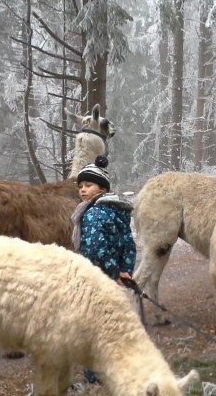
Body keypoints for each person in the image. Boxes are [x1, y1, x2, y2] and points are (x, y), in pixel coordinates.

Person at [71, 155, 137, 384]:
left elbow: (96, 248)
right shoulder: (119, 210)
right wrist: (125, 270)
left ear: (102, 187)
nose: (82, 190)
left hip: (98, 279)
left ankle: (95, 374)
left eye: (88, 185)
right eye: (80, 186)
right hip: (116, 278)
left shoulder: (93, 214)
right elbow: (129, 244)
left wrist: (112, 271)